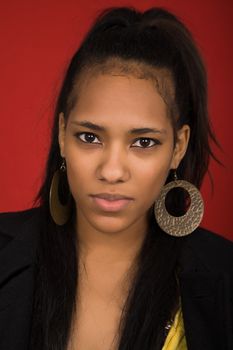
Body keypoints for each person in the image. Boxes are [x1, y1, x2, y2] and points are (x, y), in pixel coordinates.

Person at [0, 6, 232, 350]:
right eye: (90, 137)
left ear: (178, 147)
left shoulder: (224, 276)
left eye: (143, 142)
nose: (111, 171)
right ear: (63, 134)